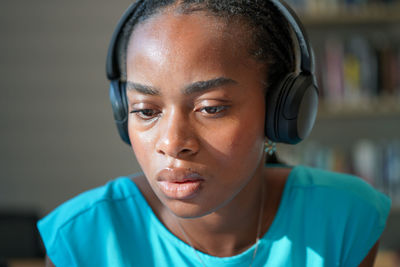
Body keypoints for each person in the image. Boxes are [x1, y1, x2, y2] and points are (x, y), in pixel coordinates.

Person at [37, 0, 391, 266]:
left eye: (210, 108)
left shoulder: (345, 218)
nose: (173, 144)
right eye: (146, 111)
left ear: (279, 113)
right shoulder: (81, 238)